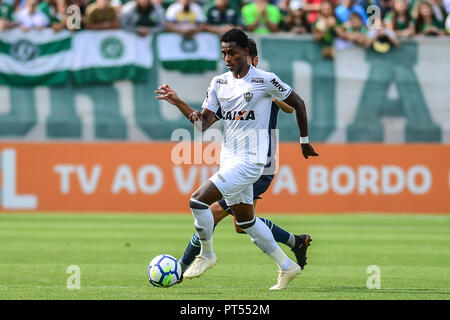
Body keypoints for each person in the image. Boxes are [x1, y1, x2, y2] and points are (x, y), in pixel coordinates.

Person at [155, 28, 318, 290]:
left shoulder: (265, 80)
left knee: (197, 200)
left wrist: (304, 141)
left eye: (232, 52)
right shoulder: (219, 83)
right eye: (223, 53)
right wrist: (179, 102)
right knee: (245, 222)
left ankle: (206, 255)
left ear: (247, 52)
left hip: (252, 161)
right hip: (229, 159)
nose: (227, 58)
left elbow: (297, 102)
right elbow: (202, 123)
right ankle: (287, 266)